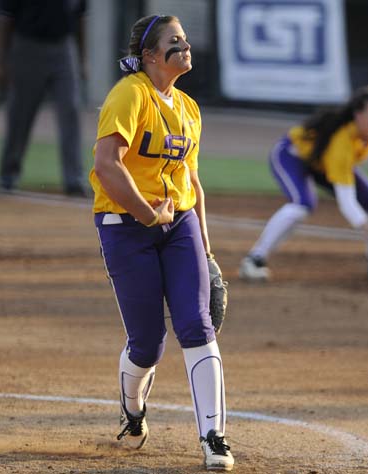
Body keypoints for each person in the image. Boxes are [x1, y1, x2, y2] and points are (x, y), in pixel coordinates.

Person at [90, 15, 234, 471]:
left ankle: (214, 437)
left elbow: (194, 183)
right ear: (150, 56)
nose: (185, 46)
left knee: (197, 326)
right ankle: (133, 411)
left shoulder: (189, 108)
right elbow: (107, 164)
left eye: (185, 40)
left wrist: (207, 255)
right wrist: (147, 213)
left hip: (179, 225)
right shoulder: (129, 94)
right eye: (175, 41)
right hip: (125, 227)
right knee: (148, 342)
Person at [239, 85, 368, 282]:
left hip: (323, 164)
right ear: (358, 115)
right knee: (303, 205)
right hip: (292, 156)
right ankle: (254, 260)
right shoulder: (341, 143)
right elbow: (347, 203)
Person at [0, 0, 88, 196]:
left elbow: (81, 18)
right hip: (28, 46)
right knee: (20, 114)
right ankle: (8, 176)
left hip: (64, 47)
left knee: (70, 110)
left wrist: (82, 59)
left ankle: (74, 180)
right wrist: (2, 62)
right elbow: (5, 19)